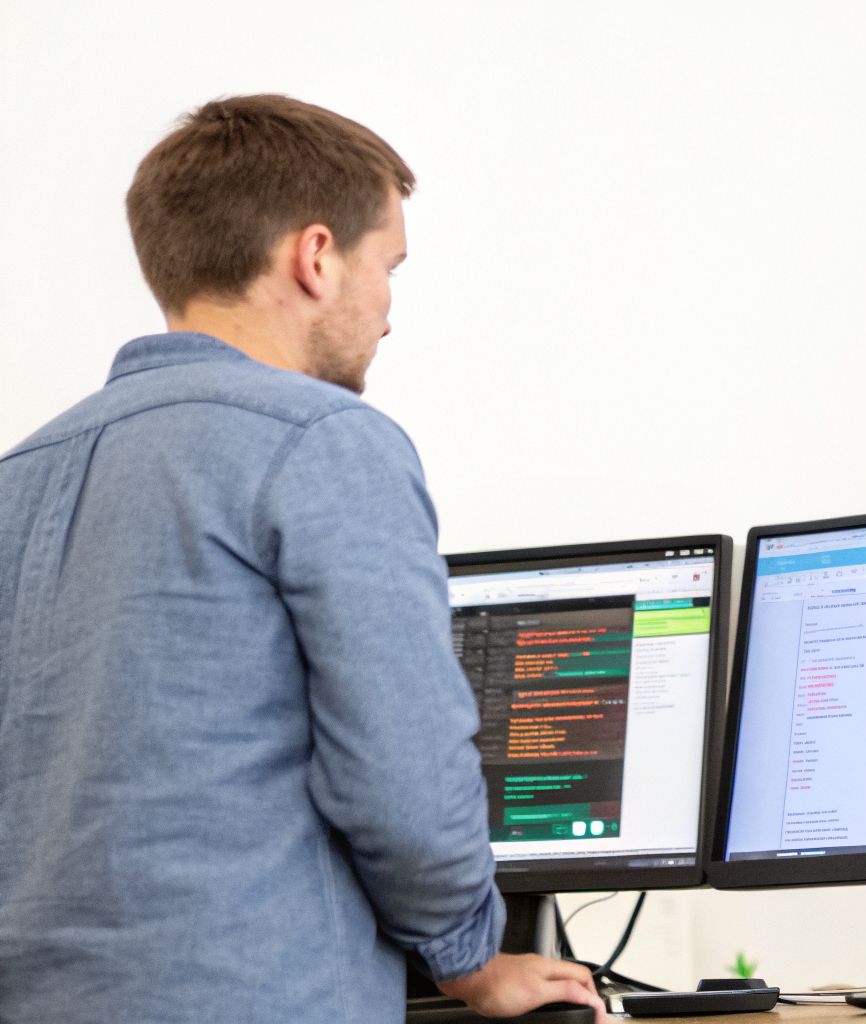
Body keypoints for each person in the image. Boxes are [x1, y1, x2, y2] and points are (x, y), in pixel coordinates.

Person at [0, 96, 606, 1023]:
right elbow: (400, 771)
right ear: (316, 256)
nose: (390, 312)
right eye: (388, 266)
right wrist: (471, 957)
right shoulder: (326, 441)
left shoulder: (19, 475)